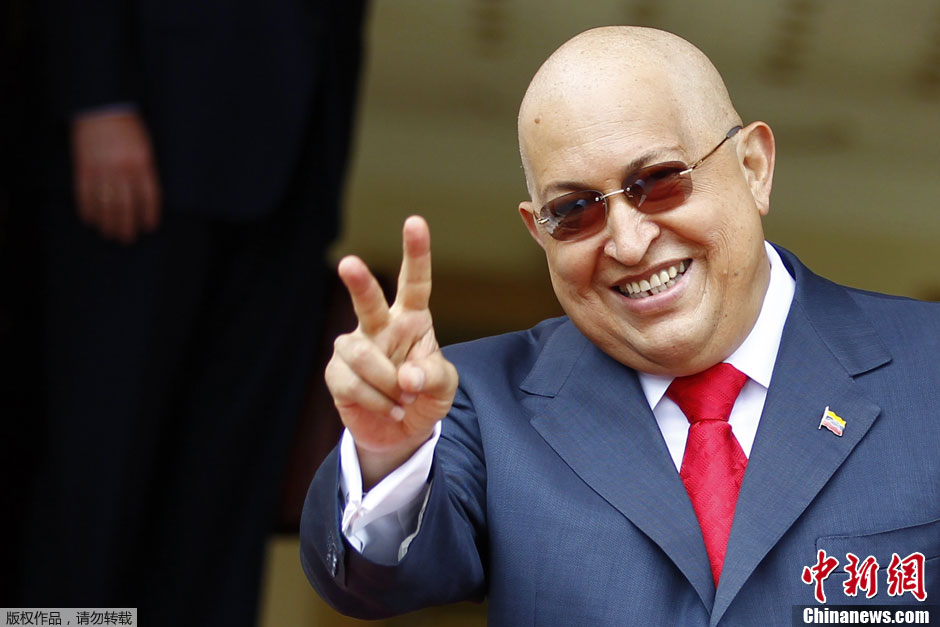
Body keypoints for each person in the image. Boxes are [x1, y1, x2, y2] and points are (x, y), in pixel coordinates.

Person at [300, 26, 940, 626]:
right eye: (575, 210)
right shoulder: (480, 404)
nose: (629, 244)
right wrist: (388, 456)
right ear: (539, 233)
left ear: (753, 167)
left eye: (659, 181)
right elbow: (374, 580)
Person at [23, 1, 367, 624]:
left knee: (224, 506)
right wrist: (98, 96)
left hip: (298, 154)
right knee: (91, 487)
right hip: (148, 132)